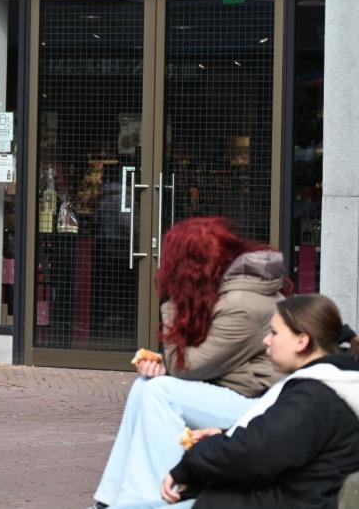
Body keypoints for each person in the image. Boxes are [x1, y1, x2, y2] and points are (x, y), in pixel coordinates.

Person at [90, 217, 288, 509]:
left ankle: (155, 499)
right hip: (240, 392)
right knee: (147, 385)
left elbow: (188, 367)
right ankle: (112, 498)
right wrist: (163, 367)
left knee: (160, 393)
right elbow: (198, 361)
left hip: (257, 406)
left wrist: (174, 307)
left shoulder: (243, 304)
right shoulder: (234, 292)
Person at [121, 294, 359, 509]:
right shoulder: (324, 387)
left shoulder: (316, 396)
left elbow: (256, 453)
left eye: (274, 333)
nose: (266, 340)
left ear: (301, 341)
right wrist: (223, 435)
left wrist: (189, 465)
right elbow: (274, 443)